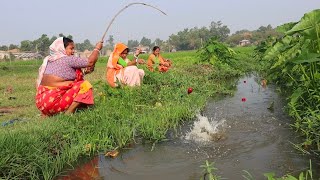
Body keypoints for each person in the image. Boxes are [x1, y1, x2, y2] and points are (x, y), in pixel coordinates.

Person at [35, 37, 103, 116]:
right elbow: (90, 62)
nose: (73, 51)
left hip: (41, 104)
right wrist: (97, 48)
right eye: (71, 48)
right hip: (53, 103)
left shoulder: (49, 61)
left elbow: (65, 76)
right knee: (85, 85)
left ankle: (49, 114)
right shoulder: (67, 59)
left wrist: (84, 72)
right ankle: (68, 114)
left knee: (76, 89)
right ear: (62, 49)